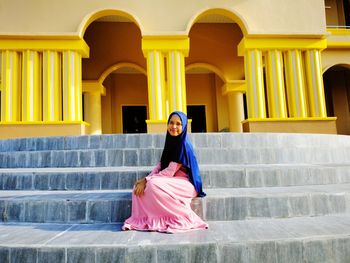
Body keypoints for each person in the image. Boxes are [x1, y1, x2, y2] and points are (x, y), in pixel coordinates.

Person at [122, 111, 208, 233]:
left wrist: (147, 181)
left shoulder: (183, 144)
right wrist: (144, 179)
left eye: (178, 124)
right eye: (171, 123)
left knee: (153, 185)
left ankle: (183, 217)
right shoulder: (171, 142)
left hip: (186, 184)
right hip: (172, 180)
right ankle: (147, 219)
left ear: (183, 127)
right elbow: (161, 166)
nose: (174, 127)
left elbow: (169, 171)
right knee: (138, 188)